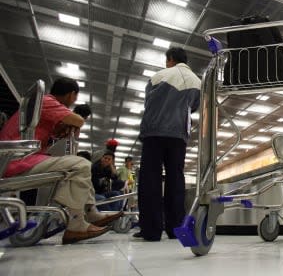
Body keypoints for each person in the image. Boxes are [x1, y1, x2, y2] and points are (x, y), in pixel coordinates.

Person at [0, 77, 122, 244]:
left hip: (15, 160)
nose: (72, 103)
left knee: (74, 167)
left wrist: (60, 129)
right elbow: (78, 120)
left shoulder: (40, 104)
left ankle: (89, 213)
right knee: (80, 165)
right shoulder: (47, 101)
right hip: (16, 161)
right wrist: (72, 123)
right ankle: (77, 223)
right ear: (72, 94)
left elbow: (58, 130)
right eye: (74, 99)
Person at [136, 47, 200, 241]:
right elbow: (194, 107)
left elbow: (149, 103)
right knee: (175, 179)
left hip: (154, 132)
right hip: (178, 135)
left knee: (150, 180)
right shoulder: (197, 81)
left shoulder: (158, 76)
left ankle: (151, 230)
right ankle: (175, 228)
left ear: (170, 59)